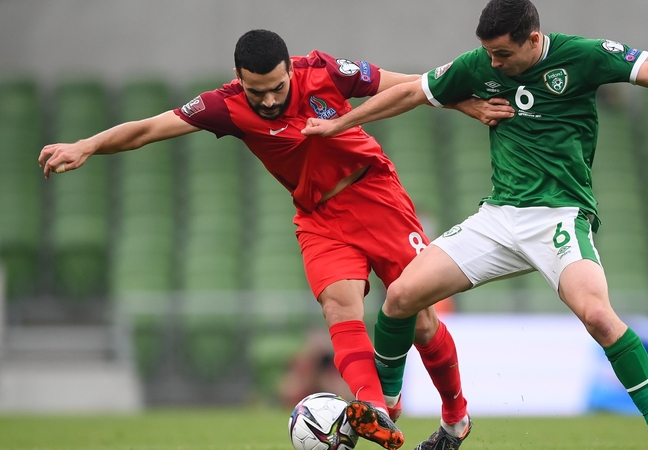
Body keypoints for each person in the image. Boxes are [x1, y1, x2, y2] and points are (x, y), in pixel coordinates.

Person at [38, 29, 512, 450]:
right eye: (256, 91)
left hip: (374, 195)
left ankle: (456, 418)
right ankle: (375, 408)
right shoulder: (225, 105)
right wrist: (87, 145)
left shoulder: (324, 71)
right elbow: (148, 129)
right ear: (238, 79)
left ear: (290, 68)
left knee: (422, 321)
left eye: (276, 87)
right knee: (338, 306)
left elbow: (407, 84)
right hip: (318, 216)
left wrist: (461, 101)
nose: (267, 101)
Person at [302, 1, 648, 449]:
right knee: (401, 296)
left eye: (502, 54)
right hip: (499, 217)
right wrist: (340, 124)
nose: (494, 63)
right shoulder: (480, 63)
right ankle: (387, 404)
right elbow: (411, 93)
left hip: (559, 216)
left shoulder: (582, 55)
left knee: (598, 315)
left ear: (533, 39)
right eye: (489, 53)